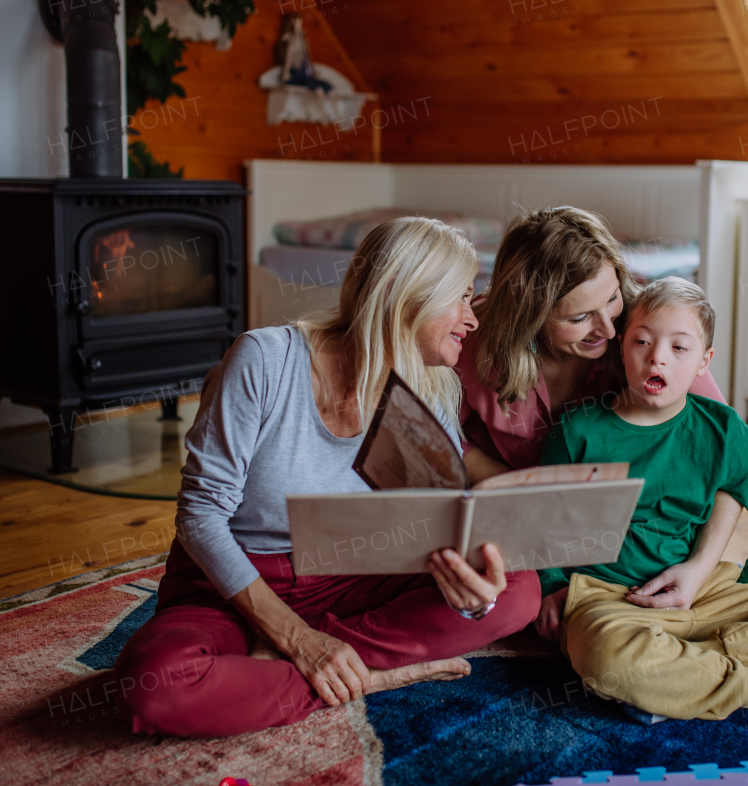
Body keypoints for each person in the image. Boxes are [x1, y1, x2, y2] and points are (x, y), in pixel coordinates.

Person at [115, 218, 541, 738]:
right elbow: (200, 516)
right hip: (235, 582)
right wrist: (294, 636)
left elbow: (437, 524)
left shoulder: (429, 391)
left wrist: (474, 589)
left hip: (353, 574)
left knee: (517, 590)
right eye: (460, 297)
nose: (471, 319)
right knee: (154, 688)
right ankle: (370, 674)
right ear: (410, 295)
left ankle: (314, 665)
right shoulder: (265, 359)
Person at [535, 277, 748, 724]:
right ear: (623, 350)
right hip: (611, 599)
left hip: (706, 594)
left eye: (679, 348)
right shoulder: (577, 430)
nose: (657, 356)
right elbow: (537, 519)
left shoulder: (721, 429)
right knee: (607, 658)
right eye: (642, 341)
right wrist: (551, 586)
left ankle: (680, 676)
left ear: (703, 362)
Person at [457, 206, 726, 484]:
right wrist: (518, 488)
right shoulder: (472, 337)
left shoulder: (647, 329)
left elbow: (728, 445)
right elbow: (436, 438)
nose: (610, 331)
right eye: (580, 318)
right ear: (529, 318)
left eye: (612, 298)